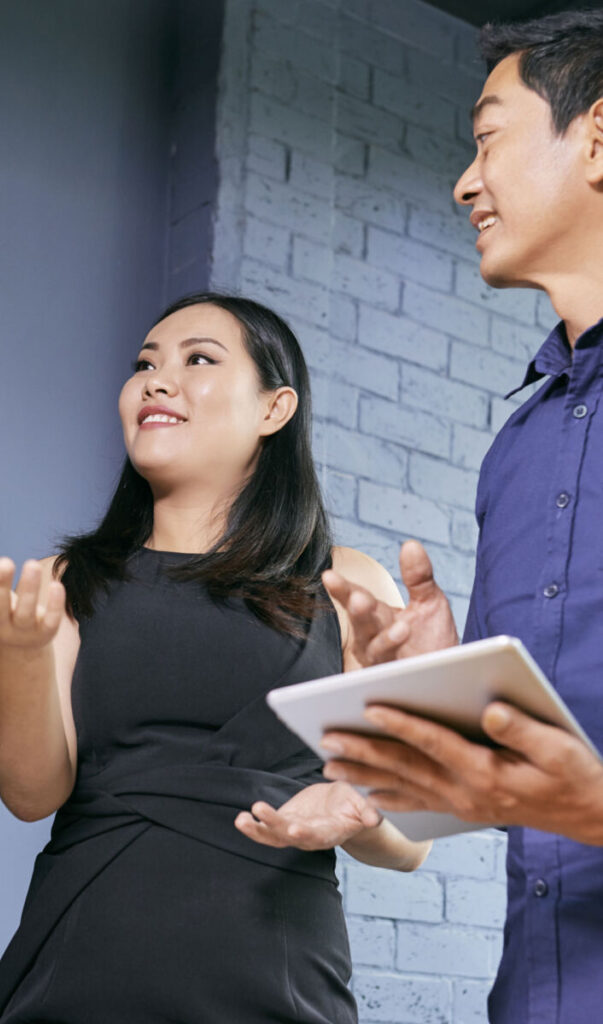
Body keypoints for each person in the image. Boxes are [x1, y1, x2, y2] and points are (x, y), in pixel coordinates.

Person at [0, 293, 431, 1024]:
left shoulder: (350, 583)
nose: (156, 381)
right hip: (77, 968)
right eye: (144, 364)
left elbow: (411, 838)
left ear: (273, 408)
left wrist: (357, 816)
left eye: (197, 360)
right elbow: (30, 794)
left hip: (277, 976)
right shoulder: (65, 581)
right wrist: (21, 649)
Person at [306, 11, 603, 1024]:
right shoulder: (516, 450)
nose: (463, 182)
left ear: (598, 139)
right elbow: (498, 783)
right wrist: (428, 692)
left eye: (487, 138)